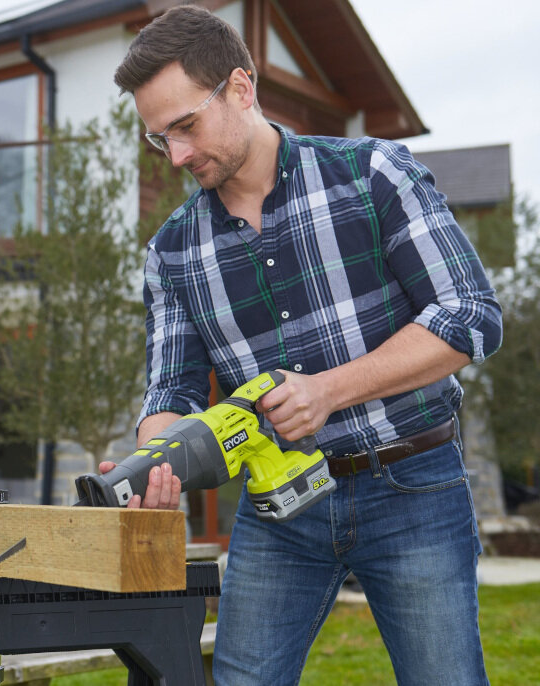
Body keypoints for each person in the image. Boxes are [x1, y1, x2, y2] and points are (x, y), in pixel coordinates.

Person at [104, 5, 503, 685]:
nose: (175, 155)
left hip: (412, 485)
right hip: (278, 512)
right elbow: (171, 389)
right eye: (157, 140)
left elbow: (470, 316)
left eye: (185, 127)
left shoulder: (373, 173)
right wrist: (154, 463)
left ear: (240, 88)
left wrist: (328, 391)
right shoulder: (172, 251)